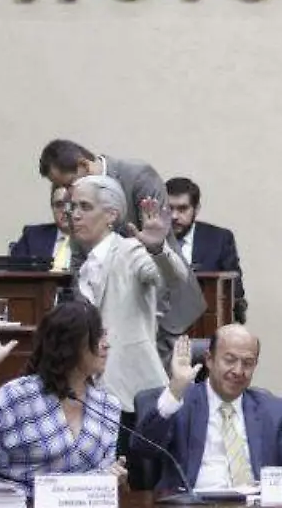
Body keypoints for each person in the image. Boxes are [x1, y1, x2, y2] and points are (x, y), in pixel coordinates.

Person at [39, 139, 206, 365]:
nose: (67, 194)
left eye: (68, 184)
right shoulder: (77, 203)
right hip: (111, 320)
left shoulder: (139, 177)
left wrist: (150, 323)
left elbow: (160, 254)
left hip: (162, 311)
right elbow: (79, 262)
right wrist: (85, 323)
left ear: (84, 165)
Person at [0, 303, 126, 493]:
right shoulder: (21, 395)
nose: (106, 344)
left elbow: (101, 472)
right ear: (70, 344)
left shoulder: (108, 406)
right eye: (97, 337)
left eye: (105, 335)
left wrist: (110, 476)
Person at [68, 174, 189, 455]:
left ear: (111, 215)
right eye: (73, 207)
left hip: (131, 392)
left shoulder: (130, 249)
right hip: (93, 392)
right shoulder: (85, 266)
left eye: (85, 207)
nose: (75, 215)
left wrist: (157, 248)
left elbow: (173, 277)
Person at [132, 326, 282, 492]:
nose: (238, 371)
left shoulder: (272, 410)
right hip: (194, 503)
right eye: (230, 360)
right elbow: (143, 449)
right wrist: (176, 389)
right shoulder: (180, 402)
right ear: (209, 360)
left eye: (248, 363)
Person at [166, 177, 246, 322]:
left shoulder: (219, 239)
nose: (174, 216)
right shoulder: (149, 239)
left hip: (207, 322)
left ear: (196, 209)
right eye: (169, 208)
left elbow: (235, 290)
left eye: (182, 209)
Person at [9, 185, 73, 271]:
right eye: (59, 205)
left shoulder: (90, 239)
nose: (65, 210)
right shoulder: (32, 236)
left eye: (71, 204)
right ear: (52, 208)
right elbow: (14, 272)